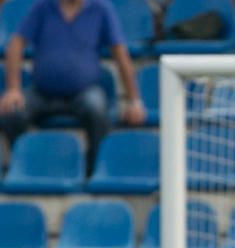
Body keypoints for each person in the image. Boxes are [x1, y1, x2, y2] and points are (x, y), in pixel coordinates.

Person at [0, 0, 146, 173]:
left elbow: (120, 53)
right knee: (11, 113)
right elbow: (16, 43)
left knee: (97, 110)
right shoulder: (43, 7)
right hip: (42, 92)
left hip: (84, 91)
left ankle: (95, 168)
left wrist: (134, 101)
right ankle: (25, 163)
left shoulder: (101, 9)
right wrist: (13, 89)